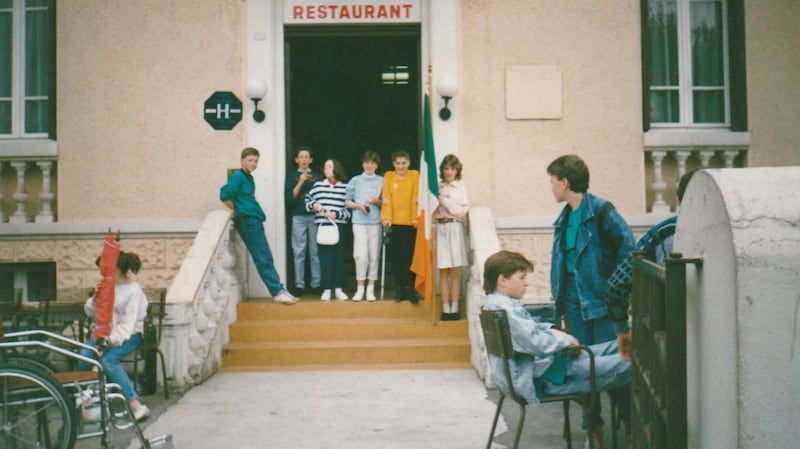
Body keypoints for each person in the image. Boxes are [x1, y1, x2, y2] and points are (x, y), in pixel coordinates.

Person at [547, 154, 635, 445]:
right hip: (573, 304)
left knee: (615, 367)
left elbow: (629, 248)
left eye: (553, 181)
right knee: (585, 369)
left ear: (565, 181)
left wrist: (614, 287)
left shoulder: (600, 210)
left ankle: (631, 426)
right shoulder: (564, 219)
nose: (551, 187)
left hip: (601, 303)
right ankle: (592, 428)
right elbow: (562, 266)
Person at [482, 250, 631, 417]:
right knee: (630, 364)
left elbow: (529, 331)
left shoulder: (494, 304)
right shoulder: (505, 308)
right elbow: (535, 341)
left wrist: (555, 332)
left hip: (535, 372)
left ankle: (632, 351)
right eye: (521, 278)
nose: (526, 284)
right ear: (502, 280)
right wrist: (565, 341)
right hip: (541, 379)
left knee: (609, 351)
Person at [79, 251, 151, 421]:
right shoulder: (107, 285)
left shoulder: (134, 291)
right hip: (104, 332)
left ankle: (135, 404)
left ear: (119, 269)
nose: (104, 274)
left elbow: (127, 324)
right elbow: (91, 314)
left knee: (108, 361)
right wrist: (95, 299)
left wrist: (109, 341)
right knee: (84, 356)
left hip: (129, 335)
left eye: (108, 270)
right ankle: (84, 399)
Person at [220, 147, 297, 304]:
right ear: (242, 161)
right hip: (248, 220)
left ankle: (279, 289)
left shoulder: (249, 178)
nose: (253, 163)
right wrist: (239, 210)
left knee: (265, 255)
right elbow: (224, 195)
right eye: (250, 160)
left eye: (256, 161)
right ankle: (276, 291)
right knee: (262, 256)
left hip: (254, 219)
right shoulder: (238, 176)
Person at [306, 158, 351, 301]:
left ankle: (338, 288)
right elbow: (307, 201)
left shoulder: (345, 188)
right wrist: (315, 206)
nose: (327, 170)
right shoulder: (318, 186)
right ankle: (326, 288)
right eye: (325, 167)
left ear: (336, 168)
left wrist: (336, 214)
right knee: (324, 258)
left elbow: (349, 210)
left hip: (339, 226)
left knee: (338, 258)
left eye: (330, 167)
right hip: (323, 226)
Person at [433, 154, 469, 320]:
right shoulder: (437, 187)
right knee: (443, 269)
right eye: (446, 168)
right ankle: (445, 307)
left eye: (452, 169)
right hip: (441, 227)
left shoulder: (460, 188)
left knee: (454, 270)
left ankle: (455, 307)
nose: (449, 172)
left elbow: (462, 212)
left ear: (457, 171)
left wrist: (446, 203)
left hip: (454, 227)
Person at [381, 150, 420, 303]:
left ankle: (410, 288)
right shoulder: (389, 176)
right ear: (393, 164)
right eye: (398, 163)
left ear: (409, 163)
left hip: (410, 223)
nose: (401, 166)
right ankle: (399, 288)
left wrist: (415, 218)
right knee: (397, 258)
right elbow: (386, 197)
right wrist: (386, 218)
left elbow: (415, 197)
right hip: (394, 222)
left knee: (409, 257)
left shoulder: (414, 175)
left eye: (404, 163)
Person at [345, 151, 384, 301]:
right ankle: (360, 288)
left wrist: (377, 201)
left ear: (376, 165)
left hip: (375, 221)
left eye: (373, 163)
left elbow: (386, 202)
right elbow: (346, 201)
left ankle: (370, 289)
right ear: (363, 163)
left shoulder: (382, 180)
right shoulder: (355, 180)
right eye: (367, 162)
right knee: (360, 255)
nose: (369, 165)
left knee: (374, 254)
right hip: (359, 221)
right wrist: (358, 205)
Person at [285, 145, 323, 296]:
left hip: (315, 217)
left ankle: (316, 284)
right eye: (301, 157)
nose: (304, 160)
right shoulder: (291, 176)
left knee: (315, 251)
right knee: (299, 251)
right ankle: (299, 284)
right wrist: (300, 181)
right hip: (298, 216)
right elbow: (290, 198)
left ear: (311, 160)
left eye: (307, 157)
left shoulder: (317, 177)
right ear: (296, 160)